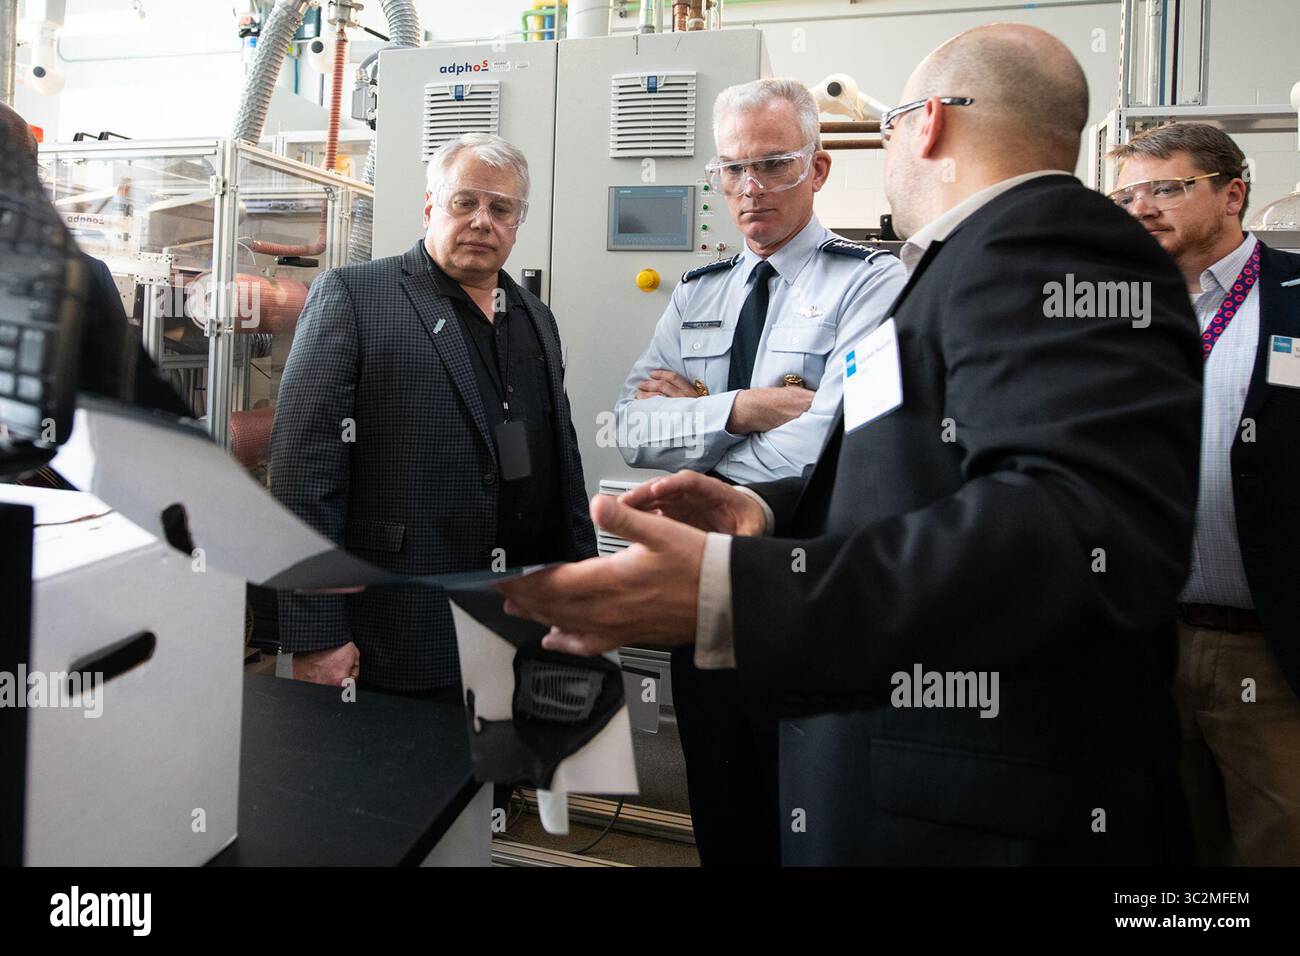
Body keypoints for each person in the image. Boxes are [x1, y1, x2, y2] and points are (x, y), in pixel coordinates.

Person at [499, 23, 1203, 865]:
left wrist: (734, 592)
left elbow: (1071, 531)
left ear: (928, 122)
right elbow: (894, 468)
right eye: (732, 170)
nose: (749, 189)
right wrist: (762, 508)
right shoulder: (955, 268)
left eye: (891, 121)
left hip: (981, 802)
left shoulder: (1047, 244)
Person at [613, 77, 904, 866]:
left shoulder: (872, 283)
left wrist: (697, 423)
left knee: (814, 817)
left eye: (773, 164)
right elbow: (632, 431)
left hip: (805, 587)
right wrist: (743, 407)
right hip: (699, 594)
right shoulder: (699, 290)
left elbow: (829, 443)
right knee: (722, 809)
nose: (750, 189)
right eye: (732, 169)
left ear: (818, 170)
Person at [271, 132, 596, 699]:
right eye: (464, 202)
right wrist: (317, 635)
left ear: (518, 222)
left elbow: (555, 463)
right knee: (405, 779)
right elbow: (303, 477)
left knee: (502, 772)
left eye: (501, 208)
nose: (481, 220)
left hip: (524, 612)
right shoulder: (355, 297)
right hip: (404, 618)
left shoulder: (533, 318)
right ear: (429, 207)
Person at [1110, 122, 1300, 865]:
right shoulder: (1119, 316)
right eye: (1128, 193)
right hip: (1148, 644)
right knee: (1165, 841)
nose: (1143, 206)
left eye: (1167, 188)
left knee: (1276, 842)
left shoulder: (1291, 301)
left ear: (1233, 194)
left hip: (1271, 654)